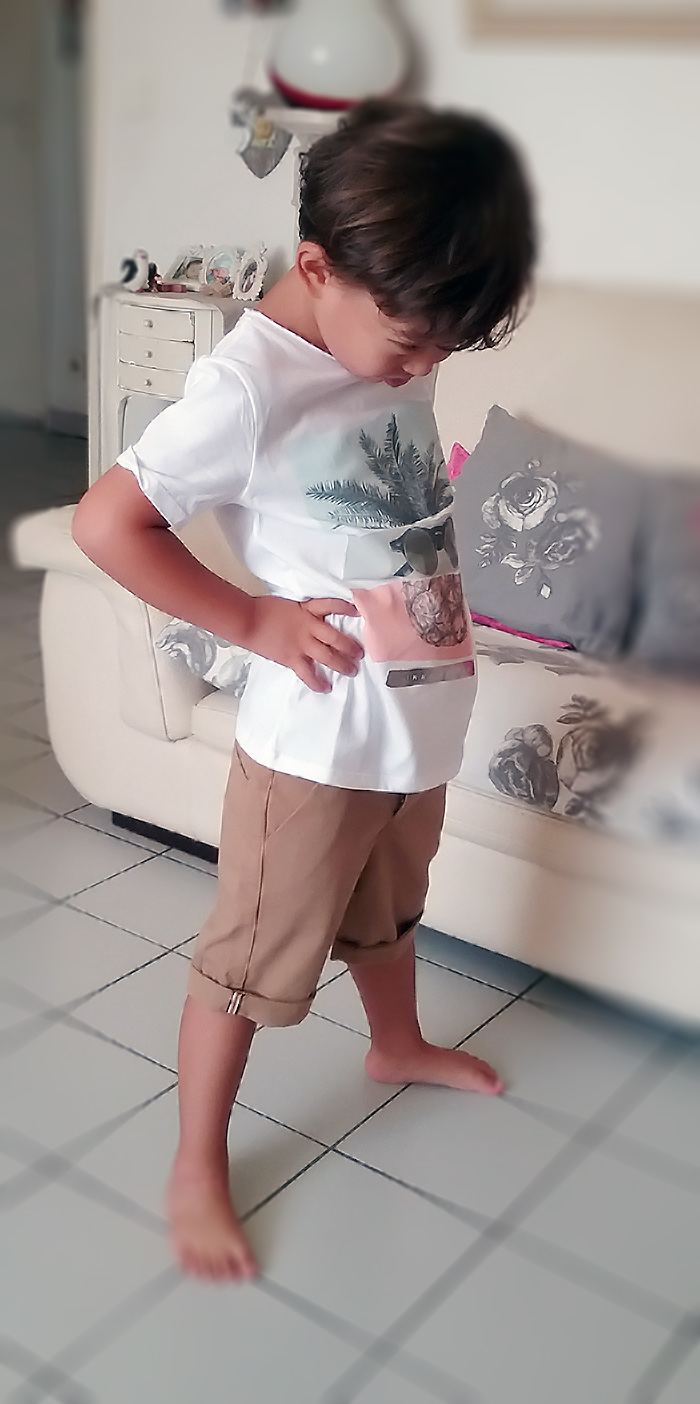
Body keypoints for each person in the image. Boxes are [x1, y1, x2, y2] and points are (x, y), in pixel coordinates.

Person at [72, 100, 537, 1282]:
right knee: (250, 962)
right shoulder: (247, 385)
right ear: (319, 268)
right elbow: (107, 522)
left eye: (448, 347)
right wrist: (250, 622)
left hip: (415, 720)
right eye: (415, 341)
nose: (426, 367)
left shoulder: (380, 339)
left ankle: (395, 1043)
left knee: (391, 909)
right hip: (315, 748)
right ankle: (195, 1162)